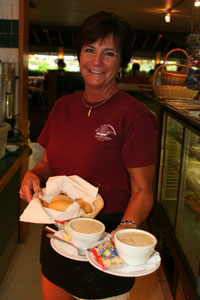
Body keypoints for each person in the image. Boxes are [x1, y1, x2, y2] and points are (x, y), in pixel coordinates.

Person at [19, 11, 158, 300]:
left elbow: (143, 191)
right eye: (90, 50)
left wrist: (121, 236)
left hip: (106, 235)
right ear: (79, 55)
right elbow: (48, 163)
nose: (96, 61)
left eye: (109, 53)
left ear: (121, 63)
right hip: (58, 235)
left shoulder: (134, 116)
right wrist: (33, 174)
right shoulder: (62, 106)